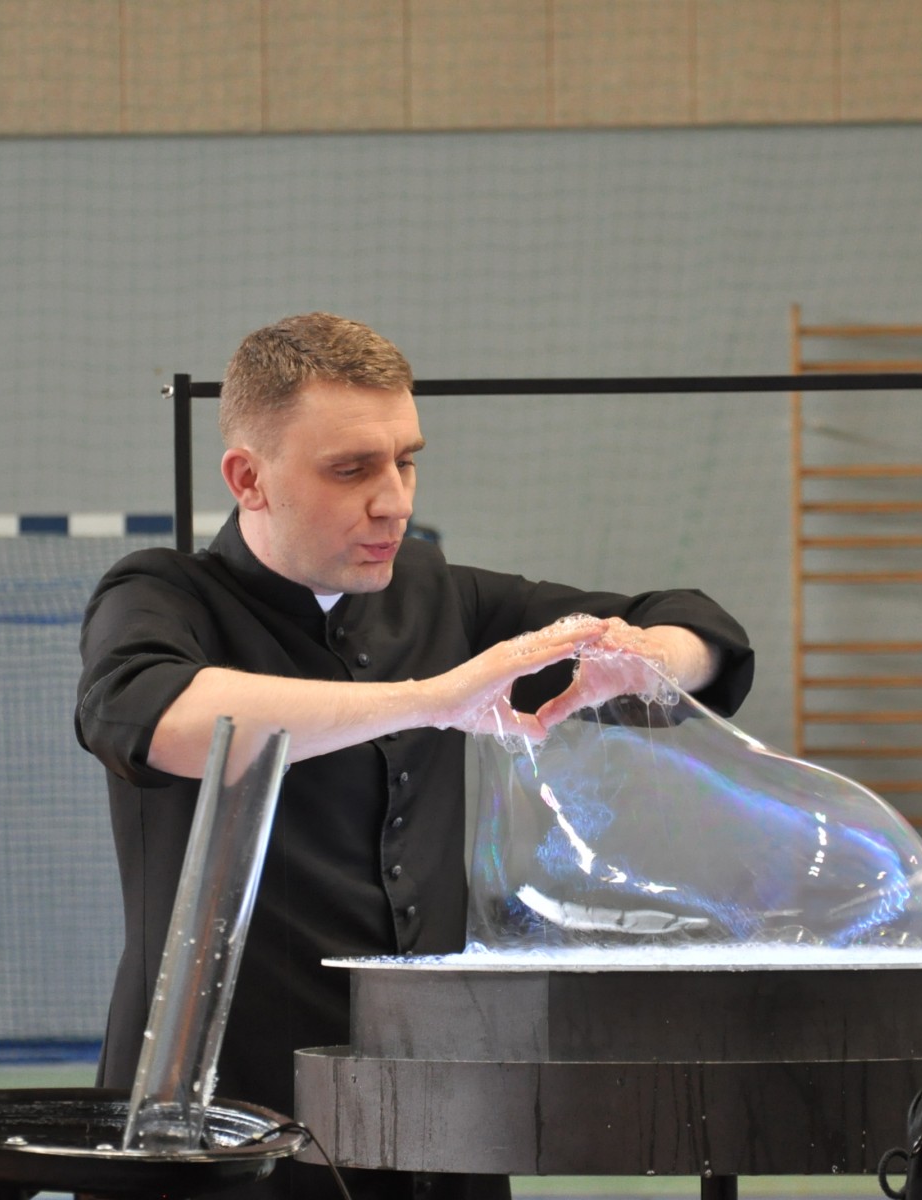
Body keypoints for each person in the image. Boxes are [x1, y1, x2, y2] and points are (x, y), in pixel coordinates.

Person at [75, 313, 754, 1200]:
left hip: (440, 1112)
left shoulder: (436, 593)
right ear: (248, 479)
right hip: (218, 1118)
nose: (393, 499)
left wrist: (648, 658)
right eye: (351, 469)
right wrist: (434, 698)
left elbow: (697, 624)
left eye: (406, 461)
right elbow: (150, 715)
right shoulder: (164, 595)